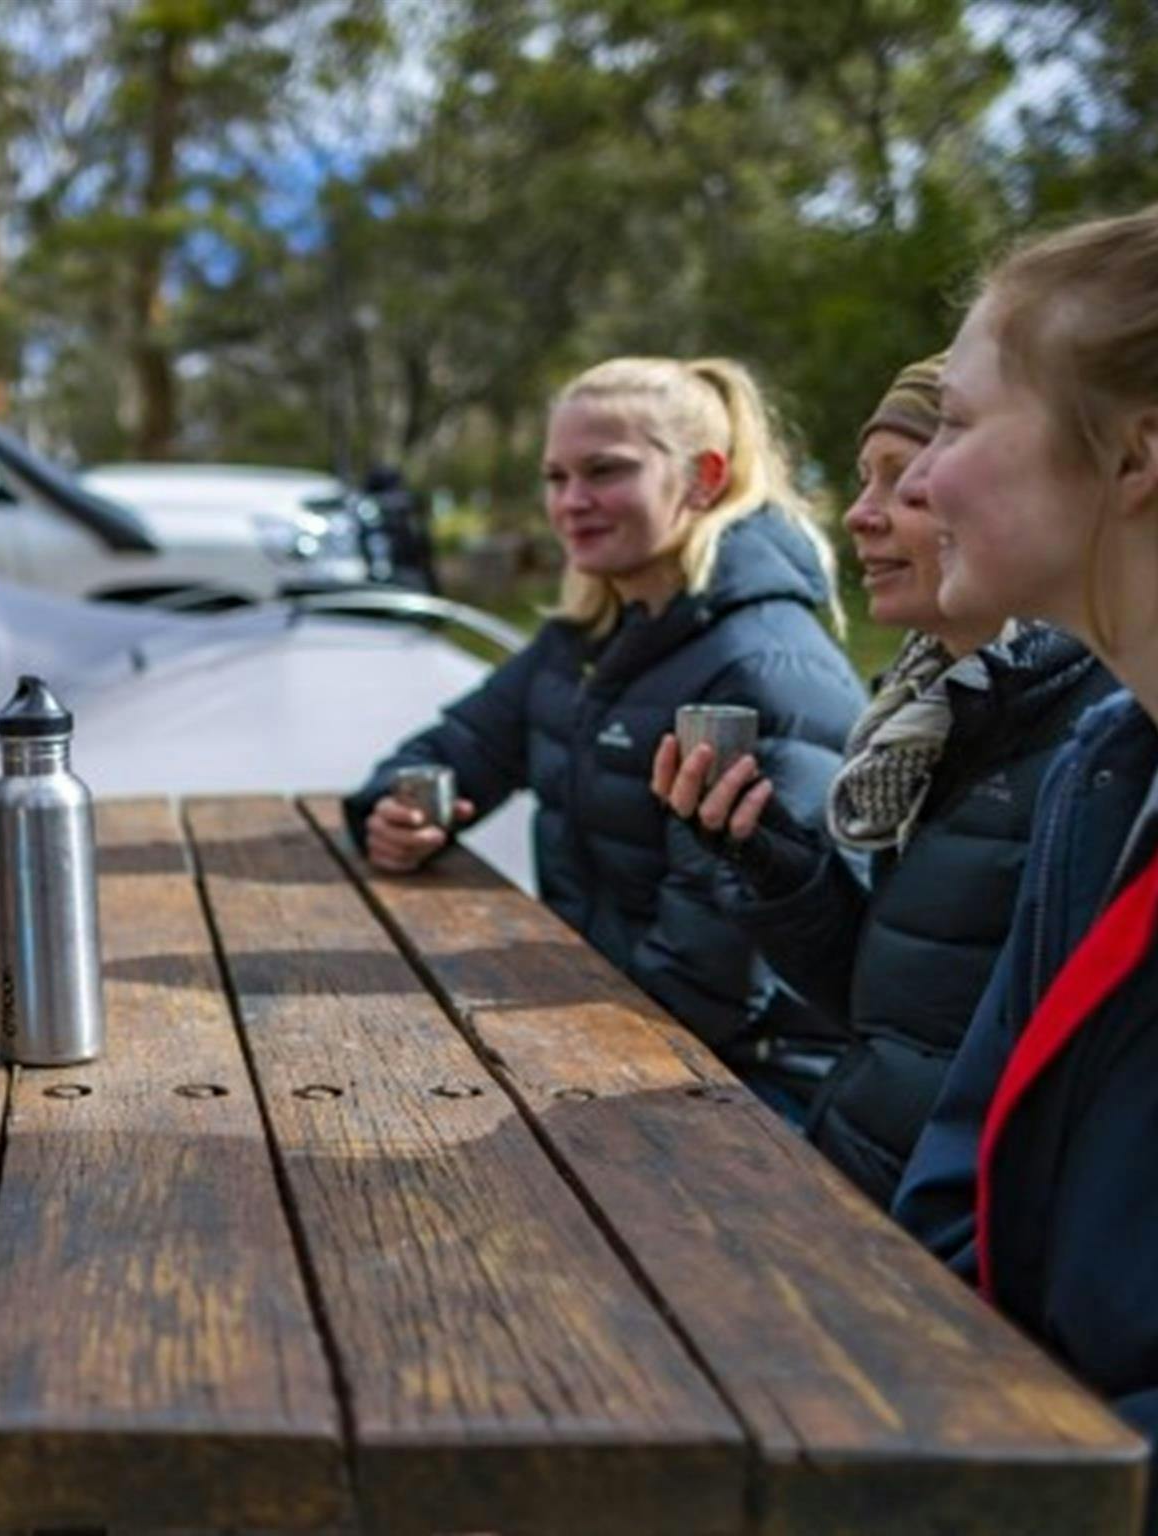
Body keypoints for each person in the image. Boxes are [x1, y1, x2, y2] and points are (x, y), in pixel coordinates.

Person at [345, 356, 866, 1111]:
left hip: (742, 1090)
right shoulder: (591, 636)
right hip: (599, 1031)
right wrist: (400, 817)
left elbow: (709, 983)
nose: (572, 502)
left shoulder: (761, 674)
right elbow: (445, 753)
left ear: (704, 477)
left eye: (604, 472)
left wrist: (514, 1047)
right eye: (556, 478)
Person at [649, 357, 1113, 1203]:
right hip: (863, 1179)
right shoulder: (931, 712)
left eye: (907, 482)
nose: (859, 517)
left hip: (945, 1244)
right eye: (865, 482)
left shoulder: (1094, 737)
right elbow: (898, 1021)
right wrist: (774, 864)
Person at [886, 206, 1158, 1482]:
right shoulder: (1103, 776)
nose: (914, 483)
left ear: (1136, 452)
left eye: (953, 423)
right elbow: (959, 1185)